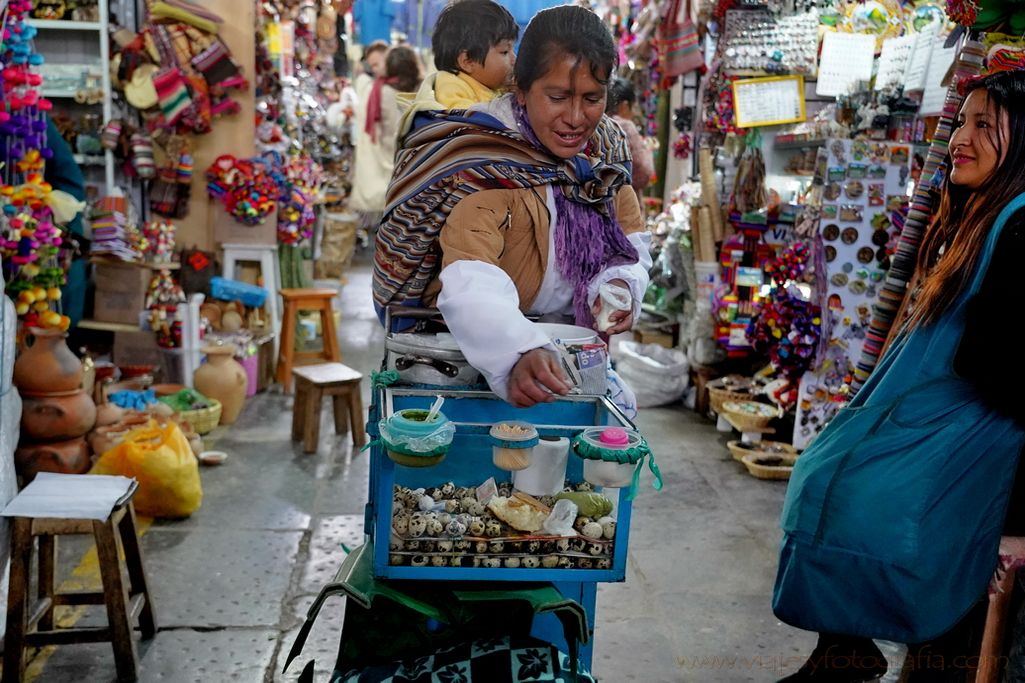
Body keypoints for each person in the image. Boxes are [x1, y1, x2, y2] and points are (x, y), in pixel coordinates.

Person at [773, 70, 1025, 682]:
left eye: (983, 125)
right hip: (946, 416)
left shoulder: (1017, 229)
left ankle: (851, 651)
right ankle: (845, 648)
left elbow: (1007, 375)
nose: (960, 138)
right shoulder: (977, 218)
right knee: (824, 476)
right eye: (962, 122)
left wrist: (1017, 525)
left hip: (980, 437)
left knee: (866, 497)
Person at [373, 5, 651, 413]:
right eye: (557, 97)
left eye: (592, 98)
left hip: (568, 360)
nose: (575, 118)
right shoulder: (484, 160)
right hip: (461, 365)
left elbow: (628, 244)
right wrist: (516, 348)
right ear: (520, 88)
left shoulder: (604, 156)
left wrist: (620, 286)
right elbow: (470, 277)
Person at [396, 0, 518, 138]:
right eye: (505, 52)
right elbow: (474, 124)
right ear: (467, 61)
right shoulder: (450, 86)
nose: (514, 59)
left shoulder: (491, 85)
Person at [349, 40, 392, 225]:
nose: (375, 69)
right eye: (372, 65)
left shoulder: (390, 88)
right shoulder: (375, 88)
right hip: (378, 151)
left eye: (377, 64)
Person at [607, 78, 654, 207]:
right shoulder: (626, 127)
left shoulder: (599, 124)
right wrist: (647, 150)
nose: (634, 112)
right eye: (634, 106)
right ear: (625, 105)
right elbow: (643, 172)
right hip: (625, 205)